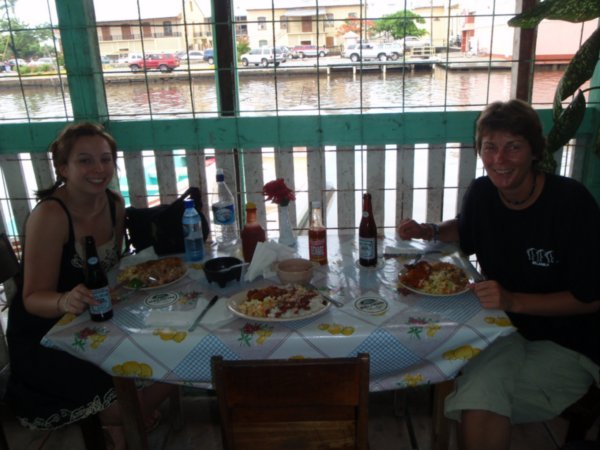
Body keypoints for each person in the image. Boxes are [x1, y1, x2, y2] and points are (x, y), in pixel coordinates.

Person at [398, 99, 600, 450]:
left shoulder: (572, 203)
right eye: (490, 147)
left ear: (535, 152)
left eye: (513, 147)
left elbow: (591, 299)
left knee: (475, 399)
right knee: (478, 397)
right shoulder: (482, 194)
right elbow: (467, 229)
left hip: (571, 345)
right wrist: (427, 230)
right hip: (502, 332)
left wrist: (513, 300)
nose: (500, 160)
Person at [6, 122, 173, 449]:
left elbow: (114, 269)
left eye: (106, 159)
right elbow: (31, 298)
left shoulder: (114, 203)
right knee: (140, 398)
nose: (98, 169)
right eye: (85, 161)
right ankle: (122, 418)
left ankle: (125, 417)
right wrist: (66, 300)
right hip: (49, 334)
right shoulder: (50, 216)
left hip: (101, 318)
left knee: (176, 346)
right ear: (63, 167)